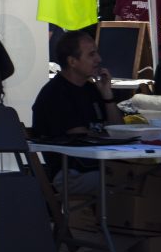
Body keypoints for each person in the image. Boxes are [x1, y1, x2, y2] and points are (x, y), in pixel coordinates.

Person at [32, 31, 124, 194]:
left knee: (149, 177)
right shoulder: (55, 94)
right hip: (71, 173)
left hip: (98, 165)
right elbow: (81, 138)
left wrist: (108, 96)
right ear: (72, 62)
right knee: (130, 181)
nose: (99, 59)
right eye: (91, 54)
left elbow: (118, 131)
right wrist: (109, 134)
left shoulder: (92, 89)